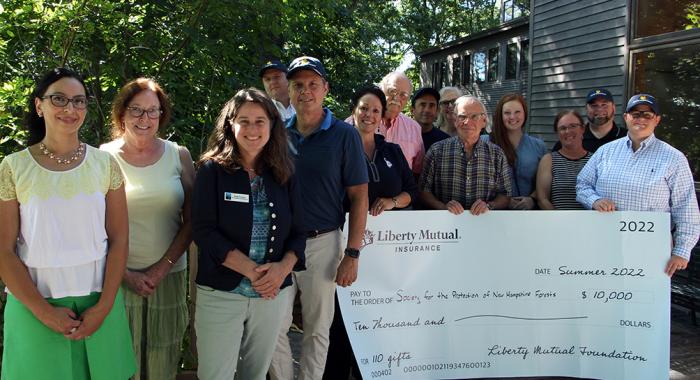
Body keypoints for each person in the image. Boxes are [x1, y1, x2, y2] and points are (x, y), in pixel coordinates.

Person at [0, 68, 135, 379]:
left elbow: (119, 239)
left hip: (100, 302)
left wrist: (103, 308)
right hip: (34, 305)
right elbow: (4, 251)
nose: (70, 109)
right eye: (59, 99)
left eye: (79, 101)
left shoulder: (105, 164)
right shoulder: (14, 167)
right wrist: (44, 312)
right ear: (39, 105)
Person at [192, 88, 306, 379]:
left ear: (272, 125)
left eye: (260, 121)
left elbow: (299, 231)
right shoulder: (210, 170)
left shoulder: (285, 172)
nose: (252, 129)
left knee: (254, 374)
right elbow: (204, 231)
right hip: (221, 291)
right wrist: (254, 273)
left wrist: (281, 271)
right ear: (231, 124)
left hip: (271, 294)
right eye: (244, 120)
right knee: (215, 374)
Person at [269, 56, 368, 380]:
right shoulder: (277, 134)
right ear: (289, 90)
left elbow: (358, 196)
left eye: (313, 84)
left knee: (316, 330)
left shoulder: (344, 135)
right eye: (298, 85)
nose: (305, 91)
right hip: (279, 247)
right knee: (272, 328)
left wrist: (352, 254)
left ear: (325, 88)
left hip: (323, 243)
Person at [100, 78, 194, 379]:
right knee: (119, 359)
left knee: (162, 358)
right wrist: (125, 273)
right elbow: (92, 224)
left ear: (162, 115)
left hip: (168, 275)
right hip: (117, 275)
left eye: (153, 111)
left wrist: (159, 270)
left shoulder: (179, 155)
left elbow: (192, 220)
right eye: (137, 110)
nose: (145, 119)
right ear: (122, 113)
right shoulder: (102, 157)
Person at [324, 86, 418, 380]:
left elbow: (411, 193)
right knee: (339, 323)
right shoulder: (337, 147)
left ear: (382, 117)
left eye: (375, 110)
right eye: (364, 108)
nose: (369, 115)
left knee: (378, 324)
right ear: (354, 111)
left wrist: (392, 202)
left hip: (384, 258)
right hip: (343, 248)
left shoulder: (392, 150)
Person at [577, 94, 700, 277]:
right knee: (603, 297)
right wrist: (595, 200)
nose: (641, 119)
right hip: (603, 242)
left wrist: (681, 251)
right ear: (626, 117)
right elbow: (582, 184)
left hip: (650, 249)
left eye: (647, 115)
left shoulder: (673, 158)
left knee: (644, 301)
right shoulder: (606, 152)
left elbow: (686, 207)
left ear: (656, 120)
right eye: (635, 114)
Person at [420, 95, 512, 215]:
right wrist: (443, 208)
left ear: (484, 121)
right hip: (447, 228)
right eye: (462, 116)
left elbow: (506, 195)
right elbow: (423, 191)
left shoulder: (496, 154)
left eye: (474, 116)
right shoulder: (436, 151)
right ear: (455, 120)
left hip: (484, 223)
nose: (467, 122)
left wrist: (489, 206)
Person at [486, 93, 546, 209]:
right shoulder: (486, 143)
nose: (512, 117)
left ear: (525, 114)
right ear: (500, 115)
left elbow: (544, 183)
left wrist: (532, 199)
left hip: (529, 215)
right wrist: (503, 201)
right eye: (507, 113)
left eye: (517, 112)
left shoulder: (539, 146)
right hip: (495, 213)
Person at [535, 110, 591, 210]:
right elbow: (542, 199)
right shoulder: (549, 160)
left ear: (583, 129)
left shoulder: (594, 159)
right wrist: (559, 221)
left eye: (573, 126)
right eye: (562, 128)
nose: (568, 131)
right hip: (557, 222)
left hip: (590, 222)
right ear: (557, 133)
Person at [378, 72, 425, 175]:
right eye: (392, 91)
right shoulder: (357, 123)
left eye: (403, 95)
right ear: (381, 91)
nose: (396, 98)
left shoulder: (414, 128)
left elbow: (418, 171)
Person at [553, 88, 627, 152]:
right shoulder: (573, 137)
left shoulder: (627, 138)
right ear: (586, 109)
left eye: (604, 105)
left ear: (614, 108)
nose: (599, 109)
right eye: (594, 106)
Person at [412, 87, 449, 153]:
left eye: (431, 105)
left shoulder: (445, 141)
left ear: (437, 110)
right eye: (422, 105)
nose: (427, 110)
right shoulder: (402, 136)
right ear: (412, 110)